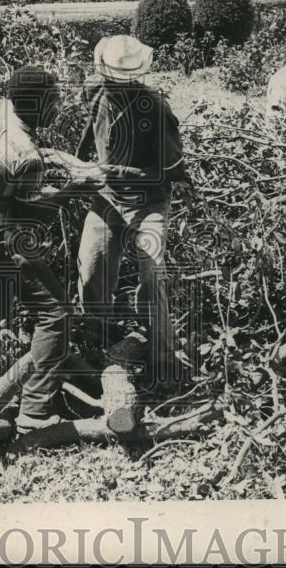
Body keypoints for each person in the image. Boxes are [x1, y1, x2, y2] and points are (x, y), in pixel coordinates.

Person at [0, 66, 106, 433]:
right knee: (56, 314)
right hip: (1, 238)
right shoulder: (27, 156)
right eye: (53, 101)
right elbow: (31, 212)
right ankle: (34, 412)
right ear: (36, 104)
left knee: (1, 312)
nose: (58, 106)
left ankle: (14, 371)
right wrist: (75, 190)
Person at [75, 35, 189, 384]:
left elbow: (173, 172)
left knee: (152, 273)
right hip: (107, 197)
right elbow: (92, 127)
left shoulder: (155, 107)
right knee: (91, 269)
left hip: (149, 201)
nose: (116, 87)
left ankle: (165, 360)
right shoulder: (94, 90)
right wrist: (78, 164)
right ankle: (97, 346)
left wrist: (116, 171)